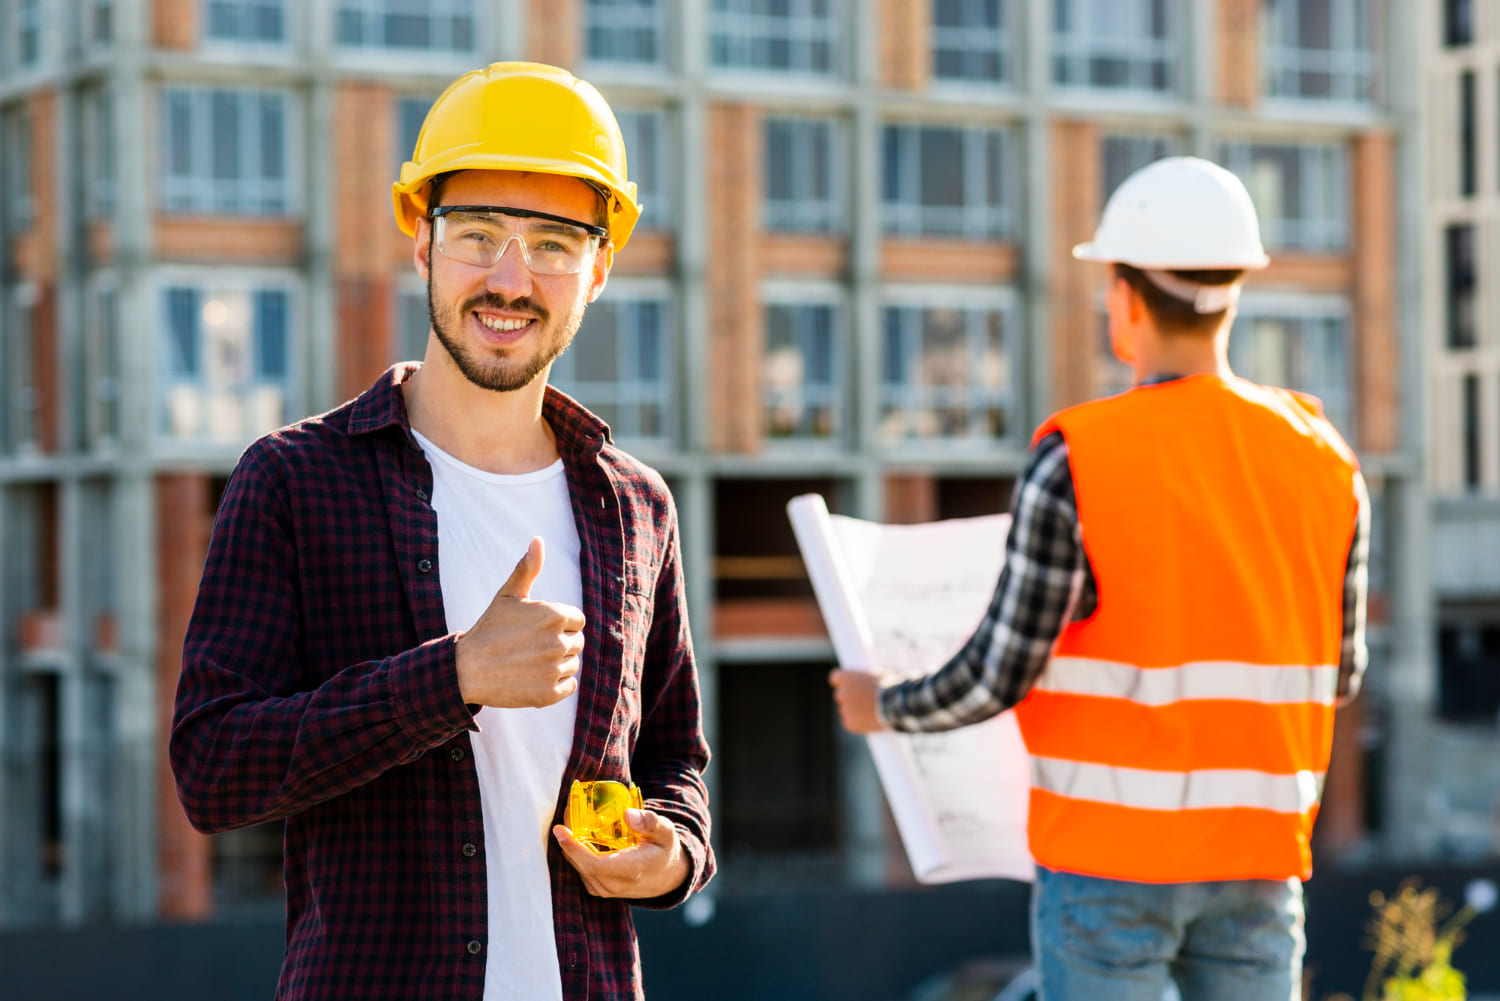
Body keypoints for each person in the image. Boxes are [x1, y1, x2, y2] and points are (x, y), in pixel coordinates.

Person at [170, 61, 714, 1001]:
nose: (511, 278)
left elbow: (675, 763)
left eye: (553, 243)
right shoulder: (295, 479)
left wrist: (671, 855)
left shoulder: (637, 506)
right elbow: (214, 769)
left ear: (600, 268)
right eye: (479, 235)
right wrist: (451, 678)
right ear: (421, 243)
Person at [830, 156, 1368, 1001]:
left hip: (1109, 871)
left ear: (1123, 297)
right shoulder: (1325, 457)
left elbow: (997, 672)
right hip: (1260, 863)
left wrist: (882, 706)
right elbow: (1343, 675)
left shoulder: (1081, 457)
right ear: (1235, 290)